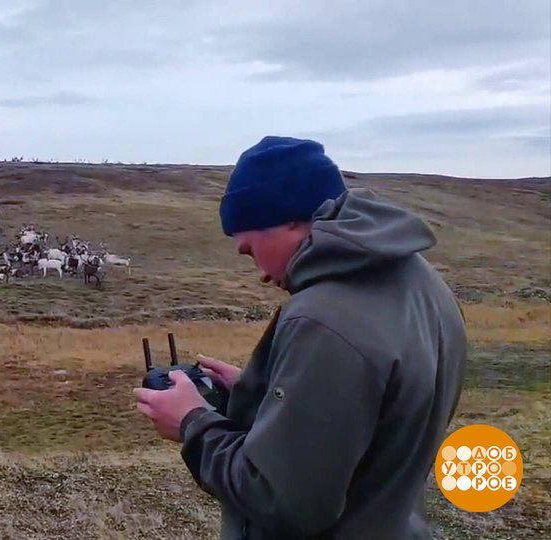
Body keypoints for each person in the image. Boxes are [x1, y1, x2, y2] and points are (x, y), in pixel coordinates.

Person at [134, 136, 467, 539]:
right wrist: (275, 392)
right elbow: (372, 419)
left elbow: (281, 499)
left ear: (289, 218)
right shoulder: (423, 284)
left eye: (250, 250)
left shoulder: (322, 318)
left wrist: (191, 422)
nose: (259, 271)